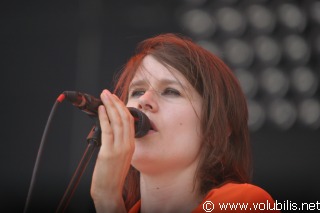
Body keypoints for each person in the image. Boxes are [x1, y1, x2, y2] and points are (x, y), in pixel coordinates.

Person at [90, 33, 280, 213]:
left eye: (171, 91)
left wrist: (107, 200)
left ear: (218, 130)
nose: (144, 100)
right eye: (137, 91)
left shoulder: (243, 203)